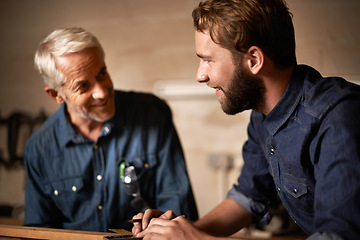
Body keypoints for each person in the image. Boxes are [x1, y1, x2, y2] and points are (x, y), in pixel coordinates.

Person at [131, 0, 360, 239]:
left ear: (254, 60)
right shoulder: (263, 115)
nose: (200, 75)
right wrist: (178, 231)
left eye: (208, 60)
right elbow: (248, 198)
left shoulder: (338, 118)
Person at [23, 27, 198, 232]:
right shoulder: (39, 148)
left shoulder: (152, 114)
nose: (101, 92)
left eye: (102, 74)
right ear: (56, 95)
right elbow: (38, 231)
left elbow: (178, 207)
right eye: (83, 86)